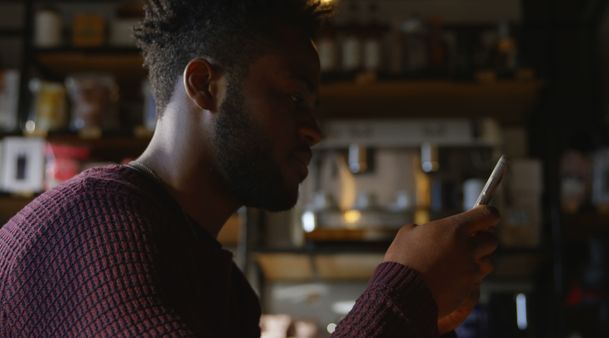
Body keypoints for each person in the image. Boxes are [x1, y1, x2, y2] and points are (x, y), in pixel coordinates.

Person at [0, 0, 499, 336]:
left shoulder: (223, 286)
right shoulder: (95, 223)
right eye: (295, 96)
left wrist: (420, 316)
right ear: (204, 86)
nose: (314, 130)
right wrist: (403, 294)